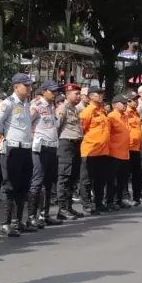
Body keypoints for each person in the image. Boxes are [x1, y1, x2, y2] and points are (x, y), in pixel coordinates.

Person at [0, 73, 35, 235]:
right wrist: (7, 136)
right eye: (26, 85)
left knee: (23, 185)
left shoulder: (26, 104)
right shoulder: (8, 103)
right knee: (9, 185)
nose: (29, 88)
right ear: (16, 86)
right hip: (12, 148)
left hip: (26, 148)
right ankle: (5, 223)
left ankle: (17, 221)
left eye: (30, 85)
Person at [29, 81, 62, 227]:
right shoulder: (36, 105)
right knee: (37, 182)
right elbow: (26, 122)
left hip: (52, 147)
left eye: (56, 91)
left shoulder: (52, 107)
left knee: (49, 183)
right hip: (40, 148)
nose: (54, 94)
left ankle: (45, 214)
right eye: (52, 91)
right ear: (45, 91)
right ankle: (32, 216)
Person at [79, 86, 111, 214]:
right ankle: (87, 204)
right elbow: (81, 130)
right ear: (91, 96)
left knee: (100, 179)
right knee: (87, 179)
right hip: (90, 150)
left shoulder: (102, 111)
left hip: (103, 151)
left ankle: (98, 203)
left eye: (101, 93)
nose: (101, 95)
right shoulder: (87, 112)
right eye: (98, 93)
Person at [56, 83, 85, 221]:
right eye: (76, 94)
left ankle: (68, 206)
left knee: (73, 177)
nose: (79, 96)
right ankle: (62, 209)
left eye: (79, 94)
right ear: (68, 94)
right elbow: (57, 127)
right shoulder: (63, 108)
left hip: (75, 144)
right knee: (64, 177)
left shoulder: (75, 109)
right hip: (66, 144)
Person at [107, 94, 131, 210]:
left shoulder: (125, 116)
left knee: (122, 179)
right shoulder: (111, 117)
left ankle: (119, 200)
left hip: (125, 153)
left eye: (126, 103)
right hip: (114, 153)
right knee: (112, 180)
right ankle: (110, 201)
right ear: (115, 104)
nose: (126, 105)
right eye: (123, 103)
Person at [125, 91, 142, 206]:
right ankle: (125, 196)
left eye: (137, 99)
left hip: (137, 147)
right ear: (128, 101)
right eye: (134, 99)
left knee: (137, 173)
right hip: (127, 147)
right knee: (126, 174)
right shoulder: (126, 113)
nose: (136, 101)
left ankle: (137, 196)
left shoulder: (136, 112)